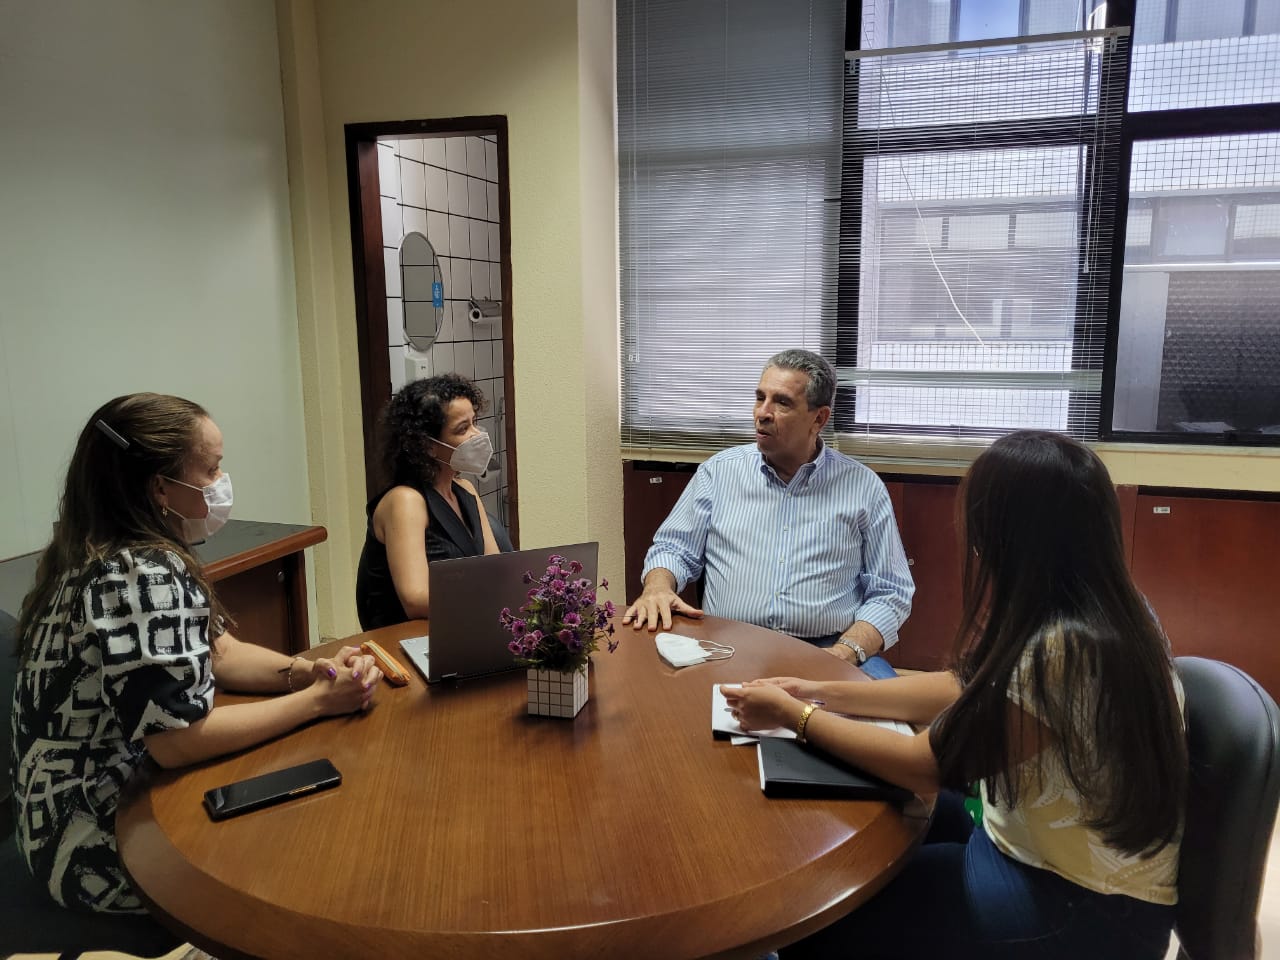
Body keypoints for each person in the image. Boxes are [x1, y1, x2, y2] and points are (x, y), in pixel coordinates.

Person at [723, 430, 1188, 959]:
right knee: (896, 819)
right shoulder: (1100, 606)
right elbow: (964, 685)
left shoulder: (1064, 647)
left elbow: (925, 764)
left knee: (823, 914)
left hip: (1079, 909)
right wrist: (820, 691)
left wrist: (798, 715)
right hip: (1049, 856)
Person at [10, 393, 381, 917]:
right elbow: (177, 741)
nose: (220, 482)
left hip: (62, 820)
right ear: (160, 487)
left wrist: (308, 673)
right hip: (97, 845)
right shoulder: (139, 575)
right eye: (210, 470)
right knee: (318, 849)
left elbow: (221, 654)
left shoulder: (92, 551)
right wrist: (320, 701)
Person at [623, 349, 913, 678]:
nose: (762, 413)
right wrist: (658, 587)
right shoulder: (719, 473)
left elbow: (891, 591)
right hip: (728, 646)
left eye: (782, 402)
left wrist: (845, 652)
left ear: (819, 419)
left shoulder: (863, 487)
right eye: (760, 398)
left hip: (828, 648)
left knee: (892, 710)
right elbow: (673, 548)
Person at [355, 373, 504, 629]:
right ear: (427, 445)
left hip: (461, 626)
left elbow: (495, 569)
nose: (477, 435)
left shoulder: (465, 490)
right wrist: (489, 596)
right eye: (462, 429)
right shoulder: (405, 501)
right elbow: (416, 600)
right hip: (409, 638)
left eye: (474, 423)